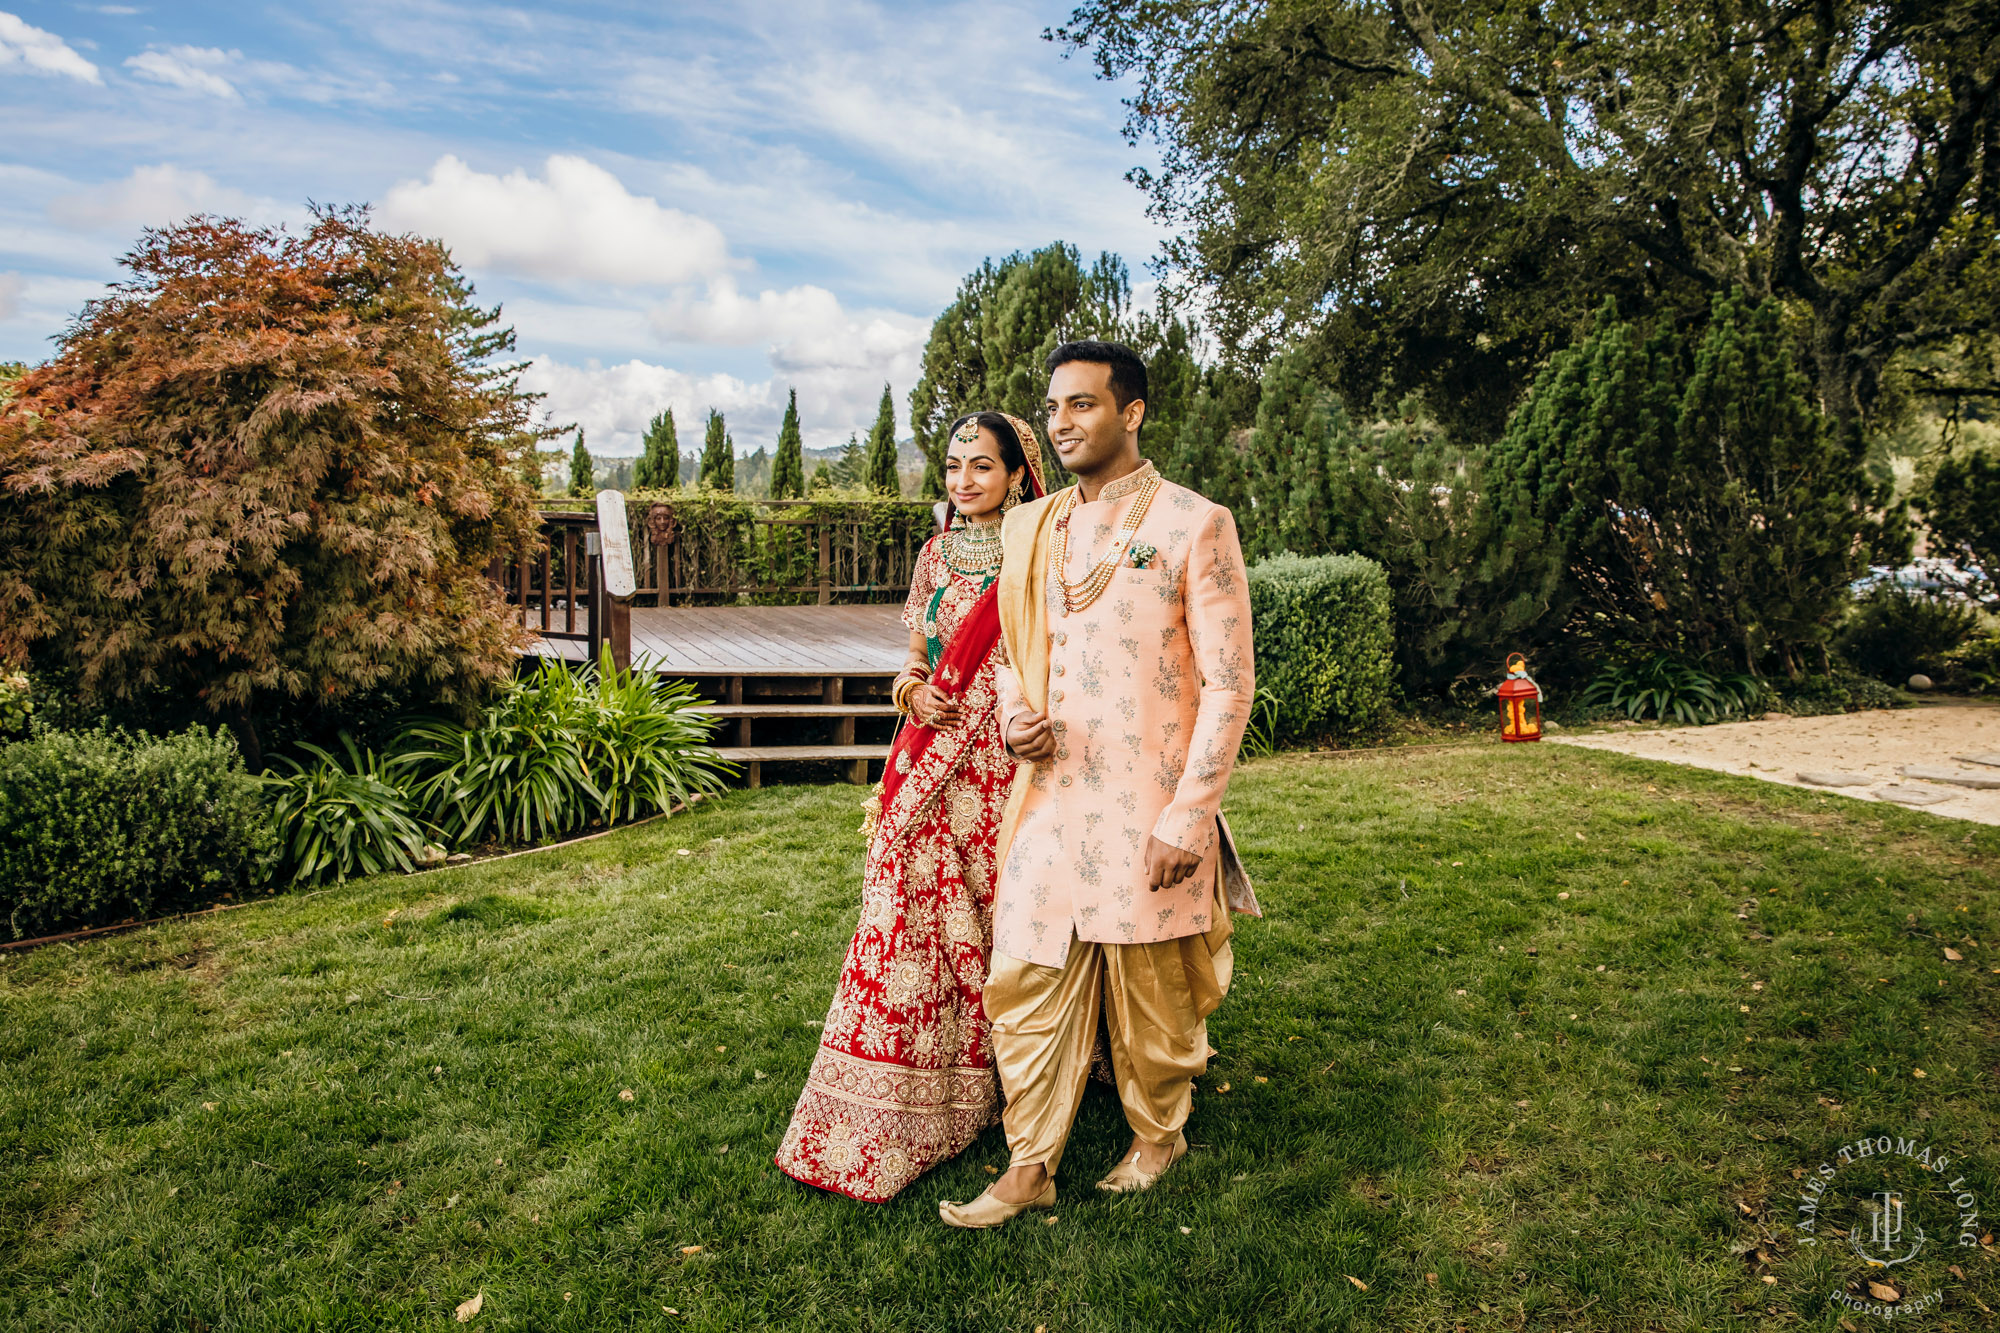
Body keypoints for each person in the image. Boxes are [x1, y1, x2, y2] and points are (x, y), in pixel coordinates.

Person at [939, 340, 1259, 1229]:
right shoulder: (1034, 528)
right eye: (1053, 407)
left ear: (1132, 413)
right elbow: (1010, 651)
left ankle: (1159, 1136)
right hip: (1047, 797)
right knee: (1023, 975)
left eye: (1082, 404)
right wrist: (1013, 719)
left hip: (1148, 803)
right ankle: (1030, 1161)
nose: (1061, 422)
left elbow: (1232, 682)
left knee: (1152, 985)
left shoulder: (1197, 522)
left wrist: (1187, 818)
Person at [775, 411, 1049, 1202]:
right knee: (906, 906)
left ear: (1017, 477)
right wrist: (912, 688)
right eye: (955, 466)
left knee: (997, 917)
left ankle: (1000, 1078)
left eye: (982, 467)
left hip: (1003, 763)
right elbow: (915, 654)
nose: (964, 481)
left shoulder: (1038, 555)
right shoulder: (934, 554)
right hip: (929, 758)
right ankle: (897, 1092)